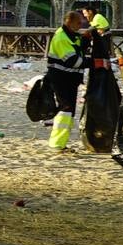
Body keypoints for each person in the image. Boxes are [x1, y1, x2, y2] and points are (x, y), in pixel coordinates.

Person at [45, 10, 89, 151]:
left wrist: (86, 39)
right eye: (78, 22)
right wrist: (94, 62)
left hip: (70, 79)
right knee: (65, 109)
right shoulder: (61, 38)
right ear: (69, 22)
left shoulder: (69, 35)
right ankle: (57, 143)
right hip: (61, 79)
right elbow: (72, 61)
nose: (81, 25)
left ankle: (61, 142)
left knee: (69, 110)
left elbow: (78, 48)